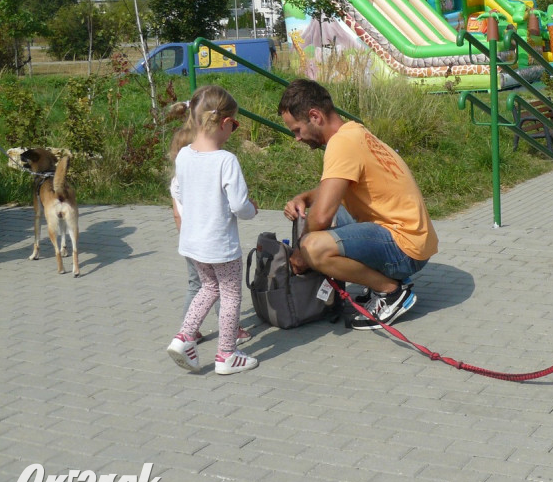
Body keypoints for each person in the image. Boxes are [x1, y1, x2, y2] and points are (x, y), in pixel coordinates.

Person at [278, 78, 438, 330]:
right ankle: (381, 279)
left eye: (297, 130)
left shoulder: (341, 144)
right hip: (411, 238)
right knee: (331, 215)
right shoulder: (354, 132)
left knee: (313, 247)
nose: (297, 138)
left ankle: (391, 292)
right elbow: (332, 190)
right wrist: (305, 198)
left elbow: (319, 218)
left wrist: (299, 255)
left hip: (406, 249)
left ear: (315, 116)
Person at [166, 85, 259, 375]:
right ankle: (227, 355)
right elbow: (239, 205)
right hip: (220, 245)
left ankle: (183, 338)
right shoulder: (225, 161)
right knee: (231, 295)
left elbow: (178, 192)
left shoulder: (183, 156)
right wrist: (252, 209)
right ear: (225, 123)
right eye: (235, 124)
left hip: (193, 244)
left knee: (208, 288)